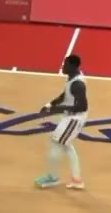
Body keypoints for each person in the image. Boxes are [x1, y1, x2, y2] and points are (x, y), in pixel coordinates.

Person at [35, 54, 88, 191]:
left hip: (74, 118)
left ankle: (53, 177)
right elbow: (65, 95)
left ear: (73, 66)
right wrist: (50, 105)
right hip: (70, 117)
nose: (63, 66)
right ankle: (76, 179)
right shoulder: (71, 79)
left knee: (56, 142)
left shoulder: (78, 84)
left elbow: (82, 106)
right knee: (65, 144)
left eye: (65, 64)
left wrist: (59, 108)